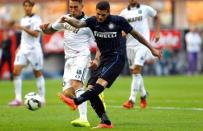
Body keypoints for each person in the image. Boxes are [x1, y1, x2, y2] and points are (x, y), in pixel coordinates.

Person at [41, 0, 161, 128]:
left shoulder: (118, 21)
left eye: (103, 15)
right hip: (103, 60)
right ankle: (105, 121)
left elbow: (137, 35)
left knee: (98, 86)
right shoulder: (92, 21)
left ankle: (76, 101)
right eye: (98, 14)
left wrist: (152, 48)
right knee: (91, 90)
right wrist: (66, 19)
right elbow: (79, 23)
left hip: (116, 58)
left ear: (108, 13)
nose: (100, 17)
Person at [40, 0, 100, 127]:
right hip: (69, 60)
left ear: (82, 7)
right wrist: (44, 29)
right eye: (71, 7)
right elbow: (50, 30)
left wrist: (96, 59)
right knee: (67, 92)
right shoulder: (65, 19)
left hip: (81, 56)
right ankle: (96, 97)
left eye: (75, 7)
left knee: (77, 84)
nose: (73, 9)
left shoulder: (89, 23)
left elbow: (100, 43)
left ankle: (83, 118)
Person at [119, 0, 160, 109]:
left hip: (143, 44)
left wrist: (157, 32)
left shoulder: (146, 9)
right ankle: (143, 95)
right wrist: (122, 33)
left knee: (136, 70)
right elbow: (122, 29)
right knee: (135, 73)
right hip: (130, 46)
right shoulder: (123, 13)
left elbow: (157, 16)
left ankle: (131, 100)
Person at [8, 0, 45, 106]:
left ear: (32, 7)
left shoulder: (36, 19)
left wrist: (21, 27)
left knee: (37, 73)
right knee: (16, 71)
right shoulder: (23, 19)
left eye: (29, 6)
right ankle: (18, 99)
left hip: (34, 50)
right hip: (23, 49)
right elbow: (24, 36)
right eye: (25, 6)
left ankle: (42, 98)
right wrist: (19, 47)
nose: (27, 8)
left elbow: (36, 34)